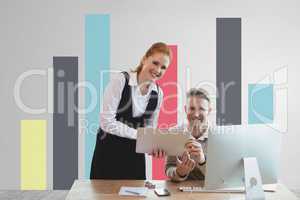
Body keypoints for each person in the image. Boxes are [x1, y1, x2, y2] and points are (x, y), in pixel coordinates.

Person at [90, 42, 171, 179]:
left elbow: (150, 128)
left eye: (163, 67)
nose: (158, 70)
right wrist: (140, 136)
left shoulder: (158, 93)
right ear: (145, 59)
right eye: (155, 63)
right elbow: (106, 122)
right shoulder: (121, 80)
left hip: (135, 157)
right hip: (108, 152)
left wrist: (154, 145)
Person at [165, 88, 212, 182]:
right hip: (180, 192)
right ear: (185, 109)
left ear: (209, 111)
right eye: (192, 108)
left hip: (208, 191)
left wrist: (202, 161)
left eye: (202, 109)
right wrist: (179, 172)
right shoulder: (174, 132)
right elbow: (169, 167)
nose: (196, 114)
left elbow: (219, 177)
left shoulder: (217, 136)